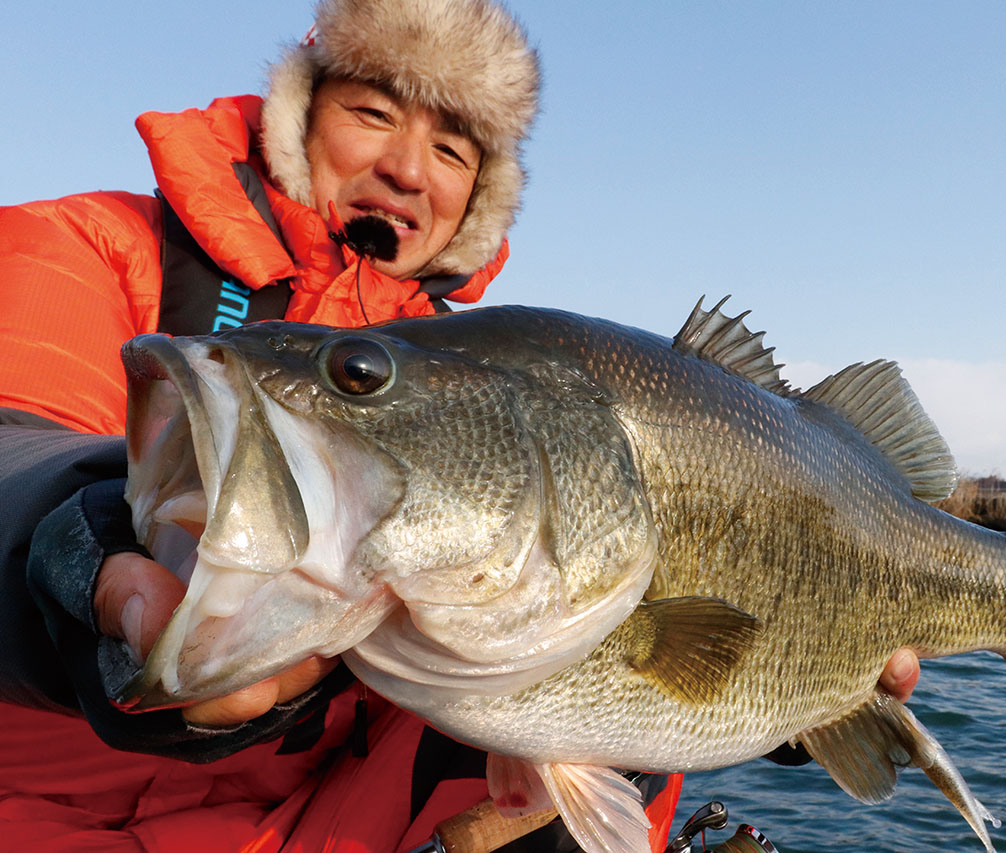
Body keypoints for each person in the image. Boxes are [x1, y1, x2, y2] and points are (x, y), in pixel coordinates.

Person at [0, 0, 921, 849]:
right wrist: (62, 536)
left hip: (325, 821)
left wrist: (798, 684)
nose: (406, 165)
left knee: (594, 767)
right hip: (34, 805)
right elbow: (12, 438)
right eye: (372, 112)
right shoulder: (87, 245)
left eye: (453, 149)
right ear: (294, 117)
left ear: (476, 195)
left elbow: (626, 628)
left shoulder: (480, 374)